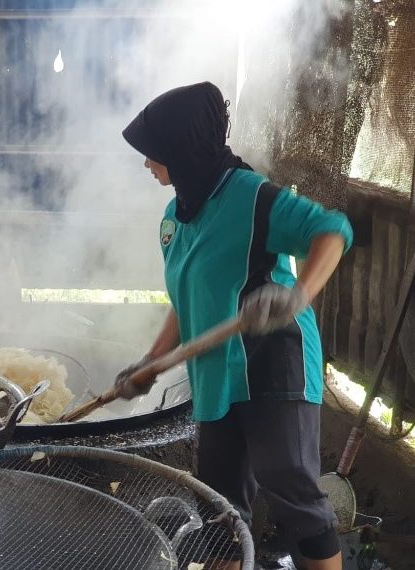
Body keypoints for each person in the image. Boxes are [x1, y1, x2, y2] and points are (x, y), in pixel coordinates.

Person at [115, 82, 353, 570]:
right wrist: (151, 362)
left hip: (274, 363)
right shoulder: (175, 216)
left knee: (289, 487)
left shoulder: (253, 196)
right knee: (219, 505)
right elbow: (188, 300)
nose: (146, 163)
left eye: (154, 151)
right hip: (217, 374)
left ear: (183, 149)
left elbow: (333, 230)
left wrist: (297, 295)